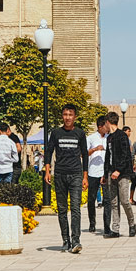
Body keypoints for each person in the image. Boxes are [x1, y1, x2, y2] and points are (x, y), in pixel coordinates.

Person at [44, 103, 89, 254]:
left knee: (75, 208)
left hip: (76, 174)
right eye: (65, 114)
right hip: (60, 174)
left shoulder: (80, 134)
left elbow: (85, 155)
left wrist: (85, 177)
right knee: (62, 210)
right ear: (62, 116)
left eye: (70, 115)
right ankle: (65, 240)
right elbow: (49, 152)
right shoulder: (56, 133)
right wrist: (47, 171)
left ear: (75, 117)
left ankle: (76, 240)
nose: (67, 117)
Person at [103, 112, 136, 238]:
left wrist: (119, 170)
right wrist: (105, 173)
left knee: (124, 201)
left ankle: (132, 223)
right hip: (111, 173)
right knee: (114, 202)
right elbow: (108, 156)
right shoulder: (109, 138)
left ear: (108, 122)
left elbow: (126, 156)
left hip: (122, 174)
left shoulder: (122, 136)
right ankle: (115, 229)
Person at [86, 115, 110, 235]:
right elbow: (84, 154)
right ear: (100, 126)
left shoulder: (109, 138)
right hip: (93, 172)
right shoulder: (90, 138)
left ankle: (107, 225)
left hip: (105, 173)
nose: (107, 128)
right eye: (106, 126)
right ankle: (92, 223)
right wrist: (95, 149)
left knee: (107, 200)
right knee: (91, 199)